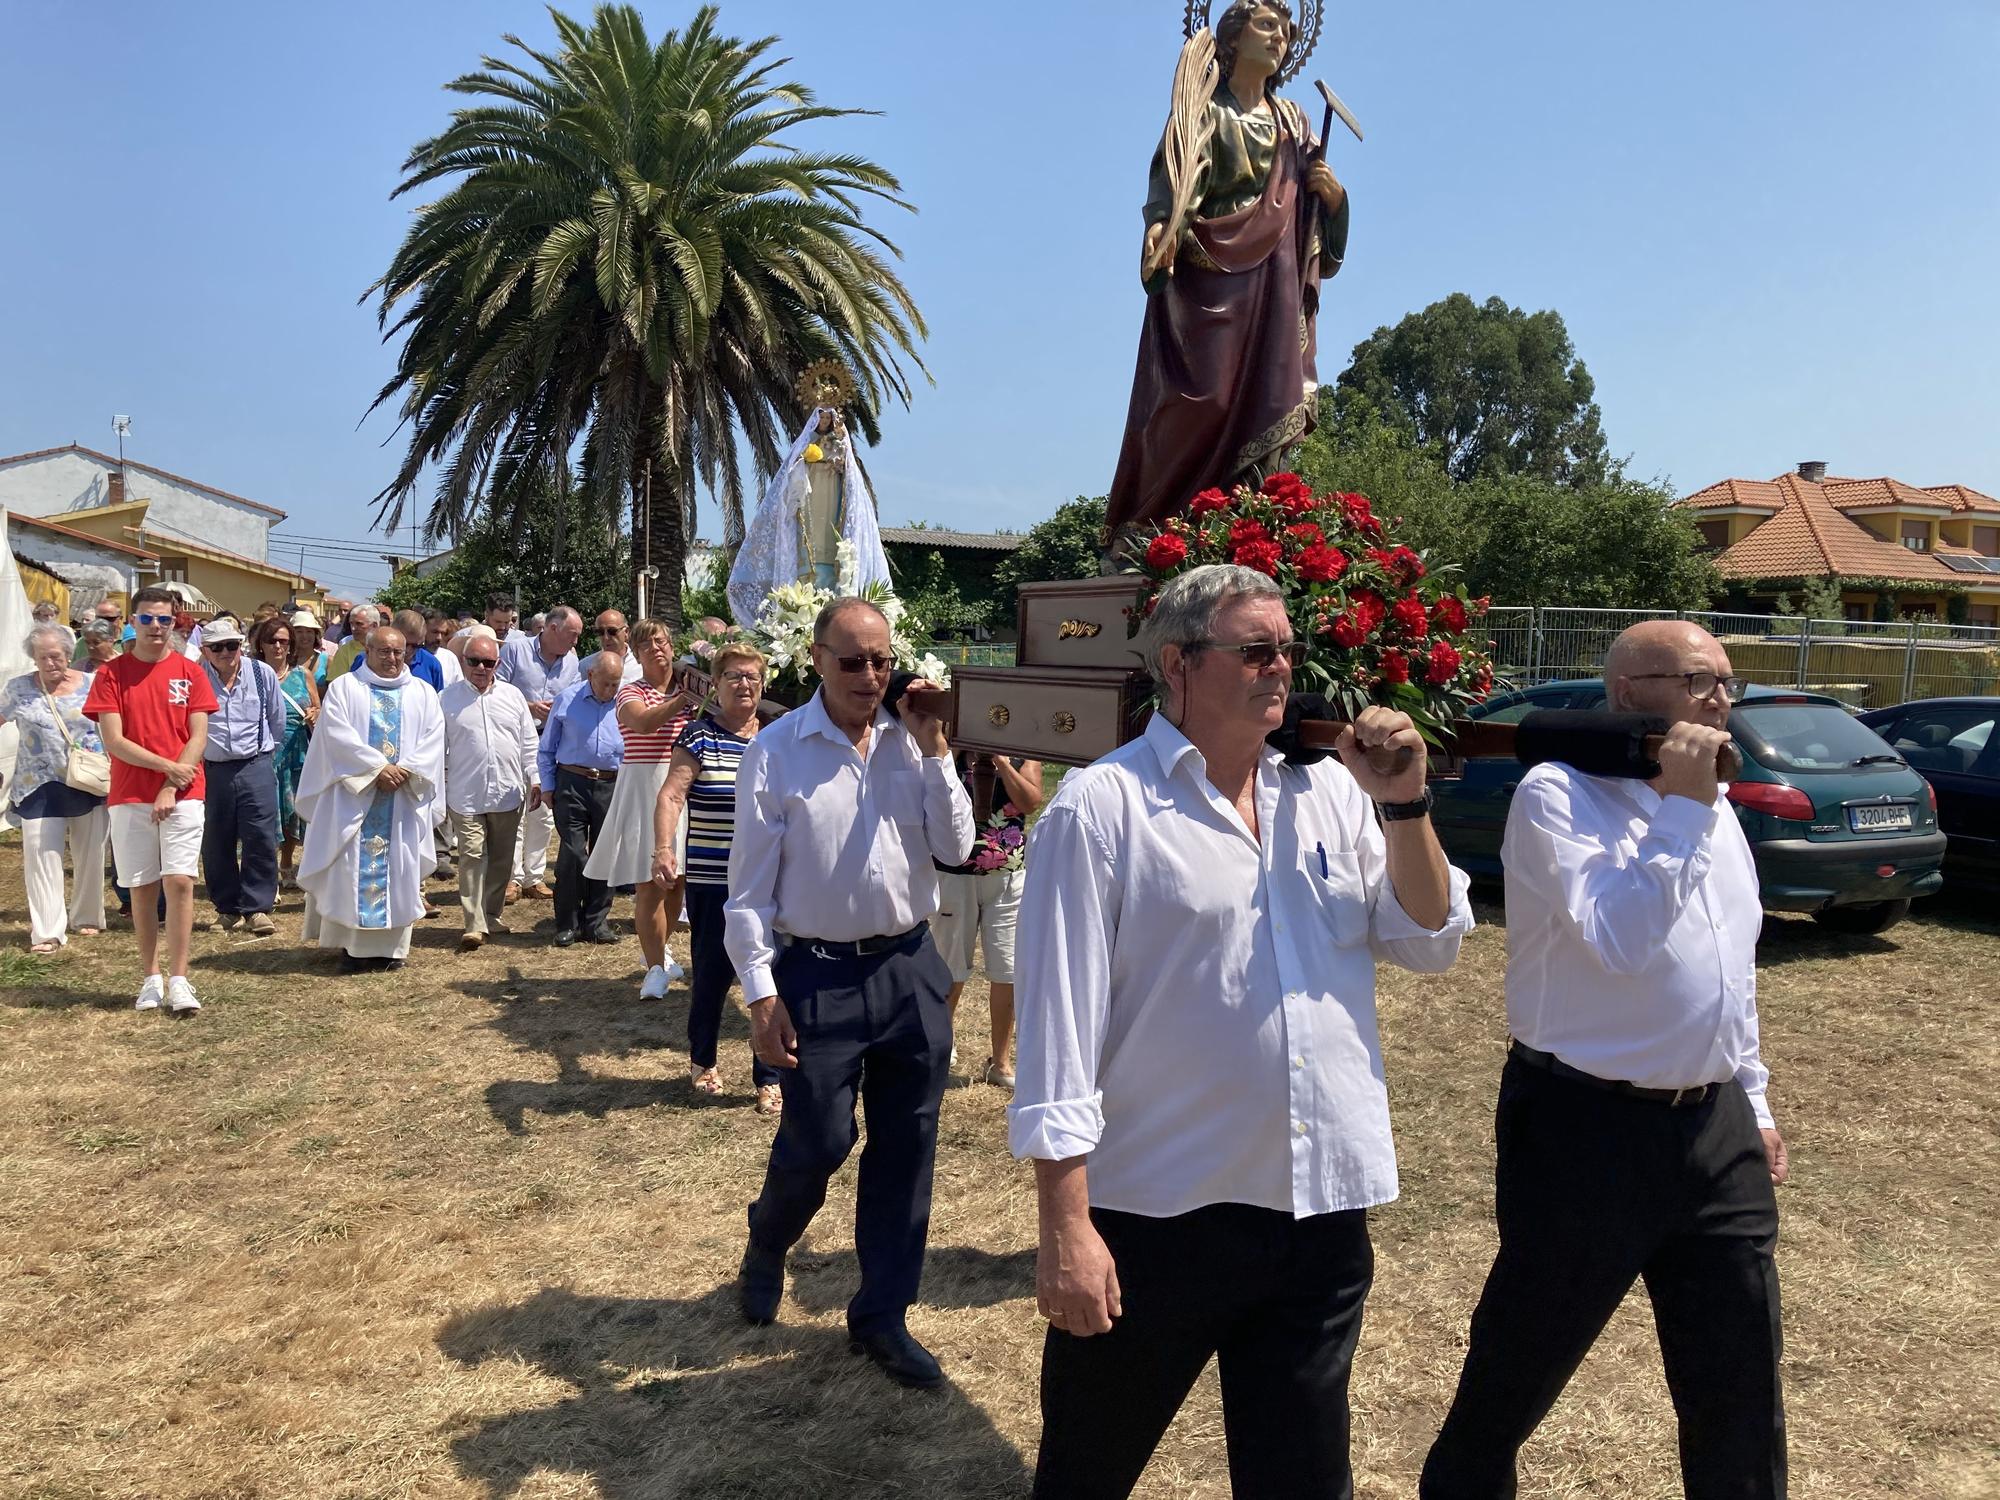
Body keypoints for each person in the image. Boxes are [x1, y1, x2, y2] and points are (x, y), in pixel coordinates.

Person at [1010, 564, 1471, 1498]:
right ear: (1177, 664)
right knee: (1087, 1473)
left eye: (1287, 649)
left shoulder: (1330, 793)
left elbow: (1427, 940)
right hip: (1159, 1214)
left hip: (1317, 1207)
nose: (1281, 667)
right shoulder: (1103, 809)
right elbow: (1057, 1030)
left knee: (1302, 1476)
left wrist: (1406, 804)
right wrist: (1066, 1226)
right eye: (1255, 650)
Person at [1419, 620, 1788, 1500]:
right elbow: (1621, 940)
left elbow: (1728, 967)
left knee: (1740, 1377)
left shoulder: (1714, 800)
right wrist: (1683, 807)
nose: (1721, 702)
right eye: (1701, 681)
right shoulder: (1558, 795)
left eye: (1729, 684)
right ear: (1631, 691)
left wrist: (1756, 1100)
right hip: (1584, 1126)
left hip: (1715, 1124)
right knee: (1519, 1366)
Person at [726, 598, 972, 1388]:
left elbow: (959, 847)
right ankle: (770, 1237)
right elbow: (747, 892)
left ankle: (882, 1316)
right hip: (818, 973)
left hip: (909, 968)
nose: (871, 677)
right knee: (824, 1139)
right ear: (816, 659)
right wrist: (762, 997)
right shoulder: (777, 750)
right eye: (853, 662)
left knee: (908, 1145)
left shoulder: (914, 743)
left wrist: (936, 753)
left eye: (882, 661)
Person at [1106, 1, 1350, 538]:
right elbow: (1170, 176)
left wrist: (1332, 200)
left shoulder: (1293, 121)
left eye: (1286, 31)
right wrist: (1159, 224)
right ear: (1233, 38)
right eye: (1266, 26)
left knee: (1268, 399)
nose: (1279, 38)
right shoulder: (1200, 110)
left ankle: (1247, 527)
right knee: (1202, 400)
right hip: (1205, 279)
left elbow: (1311, 212)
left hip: (1274, 285)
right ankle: (1151, 529)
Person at [652, 641, 780, 1111]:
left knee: (771, 975)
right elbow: (670, 796)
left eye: (750, 676)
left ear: (762, 684)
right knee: (712, 974)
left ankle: (770, 1074)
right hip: (713, 878)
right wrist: (664, 849)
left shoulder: (776, 736)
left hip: (769, 879)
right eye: (733, 677)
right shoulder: (698, 736)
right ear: (716, 685)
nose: (743, 684)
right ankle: (703, 1060)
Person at [84, 584, 218, 1015]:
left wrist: (171, 784)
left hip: (183, 793)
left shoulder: (191, 671)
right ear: (133, 622)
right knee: (141, 887)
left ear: (174, 621)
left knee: (179, 881)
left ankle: (179, 978)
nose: (156, 627)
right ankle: (150, 977)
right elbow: (115, 742)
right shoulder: (111, 674)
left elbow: (197, 736)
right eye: (147, 619)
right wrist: (166, 769)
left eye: (164, 619)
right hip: (129, 794)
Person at [294, 627, 445, 972]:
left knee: (400, 869)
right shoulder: (346, 688)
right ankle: (352, 949)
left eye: (398, 652)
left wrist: (404, 770)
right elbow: (336, 735)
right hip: (354, 798)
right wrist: (377, 769)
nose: (392, 659)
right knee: (350, 869)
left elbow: (434, 738)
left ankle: (393, 950)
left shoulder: (422, 692)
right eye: (384, 652)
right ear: (368, 651)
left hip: (403, 799)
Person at [584, 620, 698, 986]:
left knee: (678, 882)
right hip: (644, 786)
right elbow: (645, 724)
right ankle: (654, 969)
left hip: (684, 785)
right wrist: (688, 698)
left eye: (662, 642)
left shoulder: (690, 687)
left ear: (672, 645)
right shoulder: (631, 691)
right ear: (636, 652)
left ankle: (659, 953)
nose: (656, 649)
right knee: (651, 883)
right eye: (646, 645)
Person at [932, 749, 1044, 1088]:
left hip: (1008, 876)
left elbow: (1030, 802)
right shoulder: (950, 751)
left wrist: (1001, 761)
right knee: (948, 967)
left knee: (1007, 969)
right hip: (952, 874)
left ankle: (1000, 1061)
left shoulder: (1026, 753)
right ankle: (941, 1048)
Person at [1, 624, 109, 952]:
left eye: (57, 656)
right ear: (33, 658)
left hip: (87, 780)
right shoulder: (18, 688)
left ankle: (87, 915)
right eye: (42, 657)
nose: (50, 663)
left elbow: (115, 726)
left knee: (90, 853)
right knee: (39, 854)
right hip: (36, 784)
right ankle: (47, 931)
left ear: (68, 655)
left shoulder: (92, 684)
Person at [439, 628, 539, 952]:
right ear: (464, 662)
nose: (481, 668)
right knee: (470, 855)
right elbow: (438, 749)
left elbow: (528, 743)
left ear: (497, 663)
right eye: (474, 661)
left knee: (501, 860)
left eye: (488, 662)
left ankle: (491, 914)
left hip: (507, 793)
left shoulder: (513, 697)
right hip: (465, 794)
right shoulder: (447, 699)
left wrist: (534, 778)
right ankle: (473, 923)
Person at [194, 616, 285, 936]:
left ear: (241, 645)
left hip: (255, 763)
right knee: (216, 838)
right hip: (212, 768)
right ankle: (227, 908)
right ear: (205, 650)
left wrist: (265, 755)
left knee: (260, 836)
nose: (225, 652)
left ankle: (258, 908)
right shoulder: (195, 677)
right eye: (217, 647)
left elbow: (277, 720)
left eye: (231, 645)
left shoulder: (262, 674)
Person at [538, 650, 627, 946]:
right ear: (591, 675)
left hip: (610, 784)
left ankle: (596, 922)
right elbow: (547, 747)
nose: (610, 690)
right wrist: (548, 785)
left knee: (604, 855)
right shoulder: (567, 699)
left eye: (616, 684)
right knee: (574, 853)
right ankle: (567, 922)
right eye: (606, 683)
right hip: (571, 782)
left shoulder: (626, 704)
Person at [500, 605, 582, 901]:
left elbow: (573, 700)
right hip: (514, 740)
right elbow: (496, 688)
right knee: (515, 810)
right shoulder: (515, 650)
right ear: (552, 629)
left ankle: (534, 877)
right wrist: (529, 706)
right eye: (573, 635)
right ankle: (511, 879)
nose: (576, 642)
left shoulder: (572, 662)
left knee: (543, 813)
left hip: (550, 743)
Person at [250, 614, 319, 892]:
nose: (278, 646)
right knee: (267, 814)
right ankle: (267, 872)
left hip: (297, 751)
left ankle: (287, 863)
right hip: (264, 752)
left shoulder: (303, 675)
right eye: (272, 640)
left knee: (292, 814)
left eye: (283, 641)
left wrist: (316, 714)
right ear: (261, 644)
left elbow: (318, 707)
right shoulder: (251, 674)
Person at [579, 608, 644, 685]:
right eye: (600, 632)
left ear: (626, 632)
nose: (606, 637)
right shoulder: (585, 666)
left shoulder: (642, 664)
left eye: (612, 631)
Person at [323, 604, 380, 682]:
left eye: (359, 624)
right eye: (351, 624)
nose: (353, 628)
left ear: (374, 625)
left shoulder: (388, 648)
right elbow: (335, 682)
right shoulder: (345, 650)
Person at [395, 608, 446, 691]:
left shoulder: (432, 664)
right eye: (405, 644)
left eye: (415, 646)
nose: (408, 650)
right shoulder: (372, 658)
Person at [71, 599, 124, 667]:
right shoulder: (82, 642)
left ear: (120, 618)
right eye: (100, 618)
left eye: (109, 619)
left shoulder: (131, 641)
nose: (104, 622)